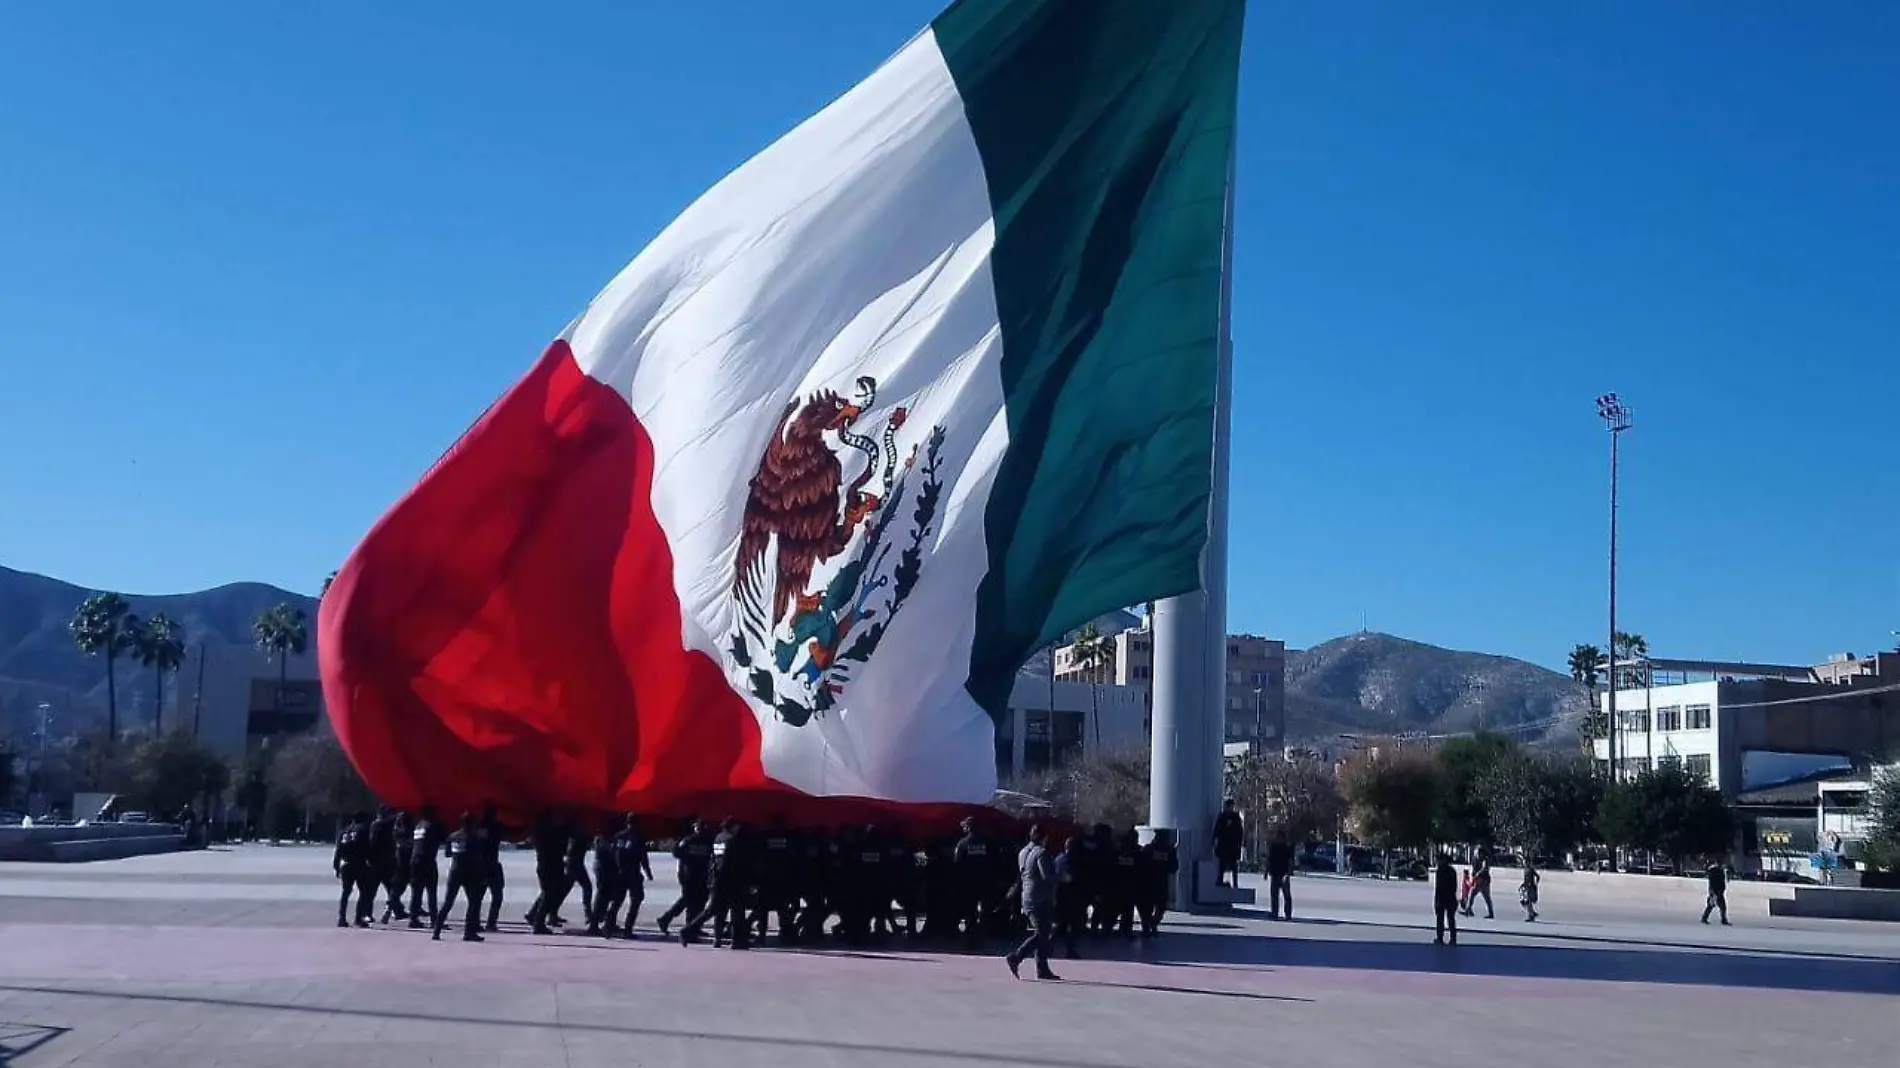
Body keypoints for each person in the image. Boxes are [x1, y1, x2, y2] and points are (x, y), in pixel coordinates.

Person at [681, 818, 752, 949]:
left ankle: (715, 937)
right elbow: (732, 862)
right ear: (733, 826)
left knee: (716, 911)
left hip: (717, 879)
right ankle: (736, 941)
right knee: (736, 910)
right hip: (729, 880)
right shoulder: (733, 840)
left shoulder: (718, 838)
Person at [1004, 824, 1061, 981]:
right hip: (1041, 898)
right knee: (1041, 933)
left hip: (1027, 896)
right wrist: (1061, 876)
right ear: (1044, 837)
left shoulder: (1023, 852)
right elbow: (1047, 877)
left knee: (1042, 933)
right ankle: (1016, 957)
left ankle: (1042, 969)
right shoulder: (1042, 853)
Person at [434, 812, 488, 942]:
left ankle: (436, 931)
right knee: (474, 902)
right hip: (469, 873)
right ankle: (469, 933)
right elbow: (477, 858)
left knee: (448, 902)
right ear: (471, 824)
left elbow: (447, 854)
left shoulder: (453, 836)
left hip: (455, 871)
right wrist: (482, 876)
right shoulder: (473, 838)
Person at [658, 818, 713, 935]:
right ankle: (671, 920)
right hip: (689, 875)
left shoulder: (708, 841)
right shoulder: (689, 840)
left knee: (699, 901)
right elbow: (676, 852)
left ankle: (693, 926)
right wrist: (689, 860)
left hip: (701, 875)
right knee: (689, 900)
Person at [406, 805, 445, 929]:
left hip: (414, 861)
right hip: (427, 861)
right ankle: (434, 920)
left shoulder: (418, 827)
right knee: (431, 891)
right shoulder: (431, 826)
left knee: (416, 892)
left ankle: (413, 918)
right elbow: (437, 841)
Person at [333, 812, 374, 928]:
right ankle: (358, 918)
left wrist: (336, 866)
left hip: (346, 864)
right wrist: (370, 862)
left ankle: (341, 917)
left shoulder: (344, 832)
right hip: (359, 864)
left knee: (346, 892)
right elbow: (367, 847)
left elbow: (338, 850)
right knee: (364, 892)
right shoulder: (363, 830)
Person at [1212, 799, 1244, 889]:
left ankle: (1235, 882)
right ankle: (1220, 880)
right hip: (1224, 845)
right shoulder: (1222, 817)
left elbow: (1240, 832)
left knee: (1233, 865)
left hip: (1232, 845)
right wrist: (1215, 841)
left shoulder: (1236, 817)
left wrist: (1239, 844)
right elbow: (1217, 830)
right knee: (1222, 864)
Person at [1265, 830, 1294, 920]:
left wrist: (1288, 874)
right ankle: (1275, 912)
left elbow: (1290, 862)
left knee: (1286, 896)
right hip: (1275, 874)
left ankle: (1287, 914)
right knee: (1274, 895)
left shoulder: (1286, 848)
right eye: (1278, 837)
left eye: (1280, 837)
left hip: (1283, 874)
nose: (1279, 839)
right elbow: (1269, 860)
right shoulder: (1273, 847)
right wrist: (1266, 872)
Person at [1433, 853, 1459, 945]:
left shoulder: (1440, 871)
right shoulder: (1452, 870)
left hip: (1442, 898)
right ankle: (1453, 938)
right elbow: (1455, 886)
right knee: (1451, 919)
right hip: (1451, 897)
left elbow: (1438, 887)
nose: (1437, 862)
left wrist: (1436, 902)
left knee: (1440, 919)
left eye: (1438, 860)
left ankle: (1440, 938)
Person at [1701, 858, 1730, 925]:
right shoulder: (1714, 871)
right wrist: (1713, 891)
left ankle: (1722, 920)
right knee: (1713, 905)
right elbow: (1712, 882)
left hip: (1719, 891)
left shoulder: (1720, 871)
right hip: (1715, 891)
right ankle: (1705, 918)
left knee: (1720, 906)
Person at [1467, 854, 1495, 919]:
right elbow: (1474, 868)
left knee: (1476, 894)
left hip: (1483, 880)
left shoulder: (1485, 859)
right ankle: (1469, 909)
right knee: (1475, 894)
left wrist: (1477, 874)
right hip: (1480, 880)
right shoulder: (1477, 859)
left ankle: (1469, 909)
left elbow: (1485, 868)